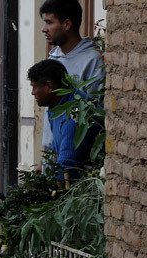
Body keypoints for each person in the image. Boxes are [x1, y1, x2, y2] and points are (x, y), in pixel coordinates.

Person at [40, 0, 105, 147]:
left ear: (67, 24)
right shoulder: (53, 57)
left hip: (74, 156)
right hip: (52, 157)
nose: (44, 29)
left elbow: (93, 115)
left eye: (49, 22)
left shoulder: (92, 60)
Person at [29, 59, 96, 180]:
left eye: (34, 87)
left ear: (49, 86)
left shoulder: (73, 117)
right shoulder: (56, 106)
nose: (32, 93)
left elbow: (66, 168)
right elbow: (57, 149)